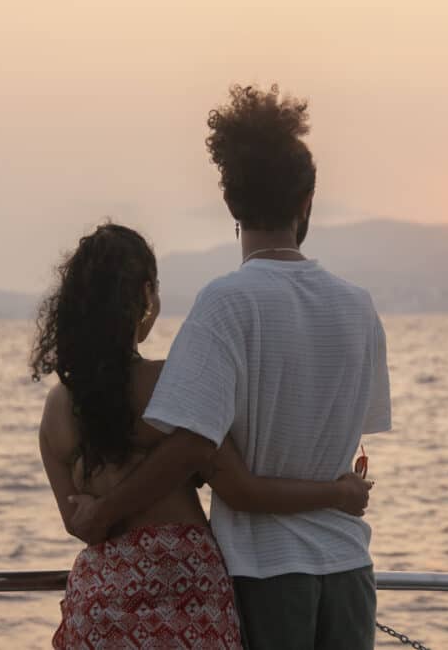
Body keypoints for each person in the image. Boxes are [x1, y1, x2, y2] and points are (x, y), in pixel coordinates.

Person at [69, 85, 392, 649]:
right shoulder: (358, 306)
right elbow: (340, 443)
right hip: (347, 570)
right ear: (306, 202)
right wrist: (337, 496)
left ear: (231, 206)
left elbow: (193, 444)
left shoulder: (227, 302)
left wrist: (102, 515)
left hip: (264, 574)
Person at [32, 222, 373, 649]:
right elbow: (240, 488)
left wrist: (100, 508)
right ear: (146, 296)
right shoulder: (172, 385)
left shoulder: (56, 411)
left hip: (103, 599)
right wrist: (340, 494)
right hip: (184, 588)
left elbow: (79, 525)